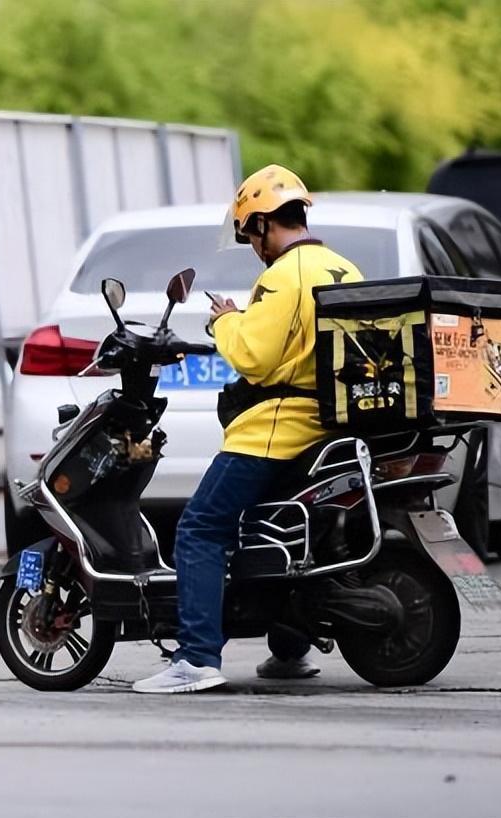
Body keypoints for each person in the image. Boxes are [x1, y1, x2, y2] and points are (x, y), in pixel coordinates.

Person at [133, 164, 364, 693]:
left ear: (262, 224)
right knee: (278, 530)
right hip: (330, 427)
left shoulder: (283, 275)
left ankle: (195, 659)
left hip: (279, 427)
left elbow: (255, 359)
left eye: (251, 233)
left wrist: (225, 321)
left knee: (200, 527)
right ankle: (289, 651)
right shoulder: (343, 268)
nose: (253, 245)